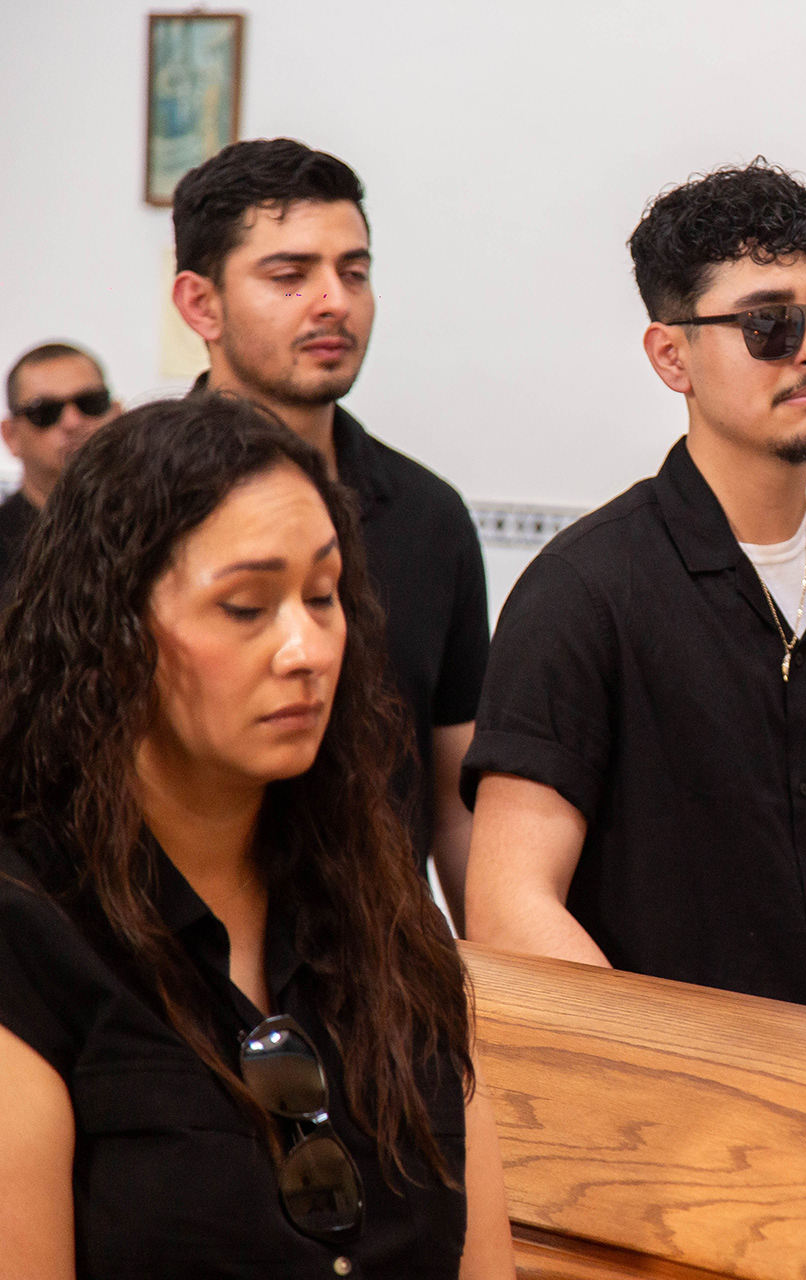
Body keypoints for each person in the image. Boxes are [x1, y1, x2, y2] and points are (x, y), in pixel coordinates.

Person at [463, 160, 806, 1034]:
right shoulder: (584, 594)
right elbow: (510, 904)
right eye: (768, 324)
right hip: (662, 1103)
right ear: (672, 356)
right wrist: (690, 1077)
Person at [0, 395, 513, 1278]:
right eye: (245, 606)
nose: (305, 650)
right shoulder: (30, 932)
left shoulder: (378, 905)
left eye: (323, 596)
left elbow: (481, 1252)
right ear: (112, 630)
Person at [169, 139, 489, 928]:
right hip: (172, 954)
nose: (333, 303)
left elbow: (456, 803)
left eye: (354, 272)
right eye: (290, 275)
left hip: (376, 955)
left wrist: (498, 973)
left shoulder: (429, 517)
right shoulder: (132, 507)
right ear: (201, 305)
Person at [1, 342, 121, 599]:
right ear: (10, 436)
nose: (72, 422)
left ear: (118, 413)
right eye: (45, 412)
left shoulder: (158, 527)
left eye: (90, 403)